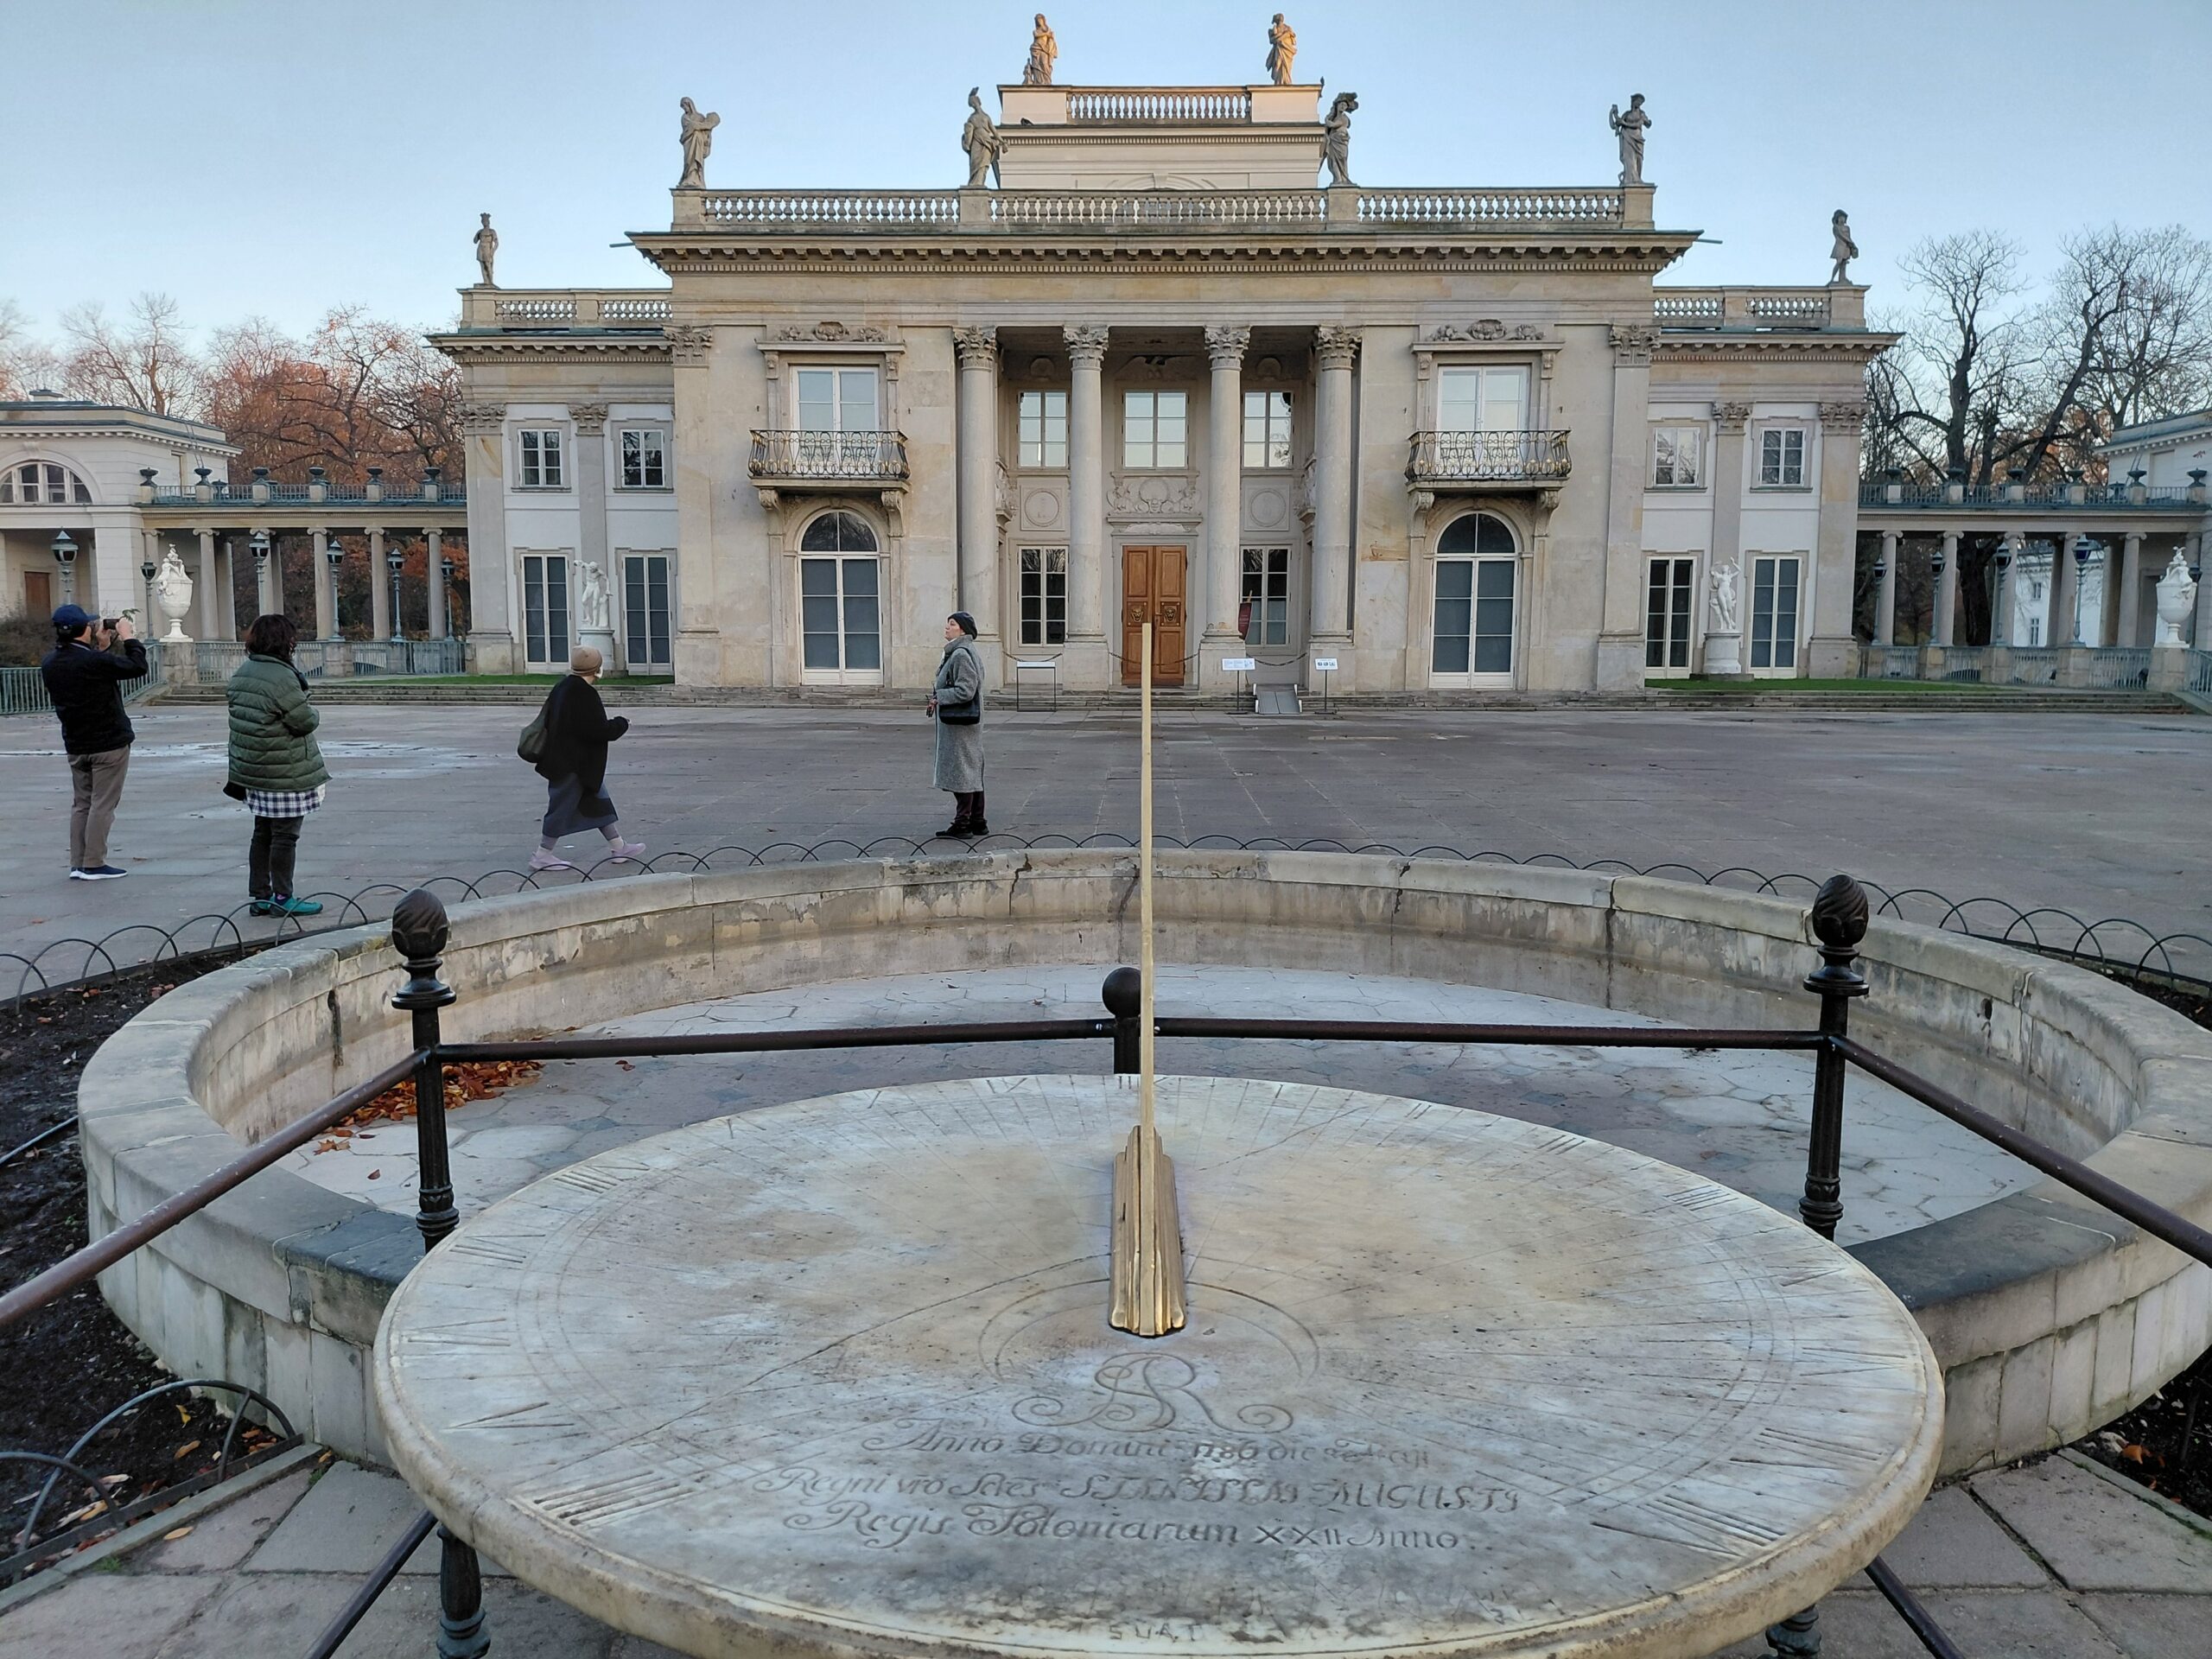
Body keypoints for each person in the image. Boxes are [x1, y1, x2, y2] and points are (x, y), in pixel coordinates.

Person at [226, 613, 328, 918]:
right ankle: (283, 896)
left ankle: (260, 895)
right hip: (283, 769)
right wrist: (314, 711)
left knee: (262, 833)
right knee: (285, 835)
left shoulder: (244, 672)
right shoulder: (282, 677)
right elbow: (303, 721)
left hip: (253, 769)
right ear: (285, 642)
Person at [40, 603, 148, 880]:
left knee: (82, 804)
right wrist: (128, 637)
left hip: (77, 743)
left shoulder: (51, 663)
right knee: (102, 804)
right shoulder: (93, 662)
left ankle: (79, 862)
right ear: (83, 630)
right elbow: (137, 666)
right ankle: (94, 862)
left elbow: (90, 670)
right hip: (108, 743)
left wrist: (100, 647)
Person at [531, 645, 643, 870]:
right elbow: (597, 730)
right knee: (561, 807)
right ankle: (542, 855)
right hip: (573, 764)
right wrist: (622, 723)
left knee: (599, 801)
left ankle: (619, 847)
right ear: (597, 668)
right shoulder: (584, 693)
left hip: (573, 762)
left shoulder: (563, 687)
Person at [925, 612, 988, 837]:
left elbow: (966, 689)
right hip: (963, 724)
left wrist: (939, 697)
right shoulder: (964, 651)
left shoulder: (960, 654)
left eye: (952, 624)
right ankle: (978, 820)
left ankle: (962, 823)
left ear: (962, 630)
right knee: (971, 771)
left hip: (960, 725)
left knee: (963, 772)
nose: (947, 627)